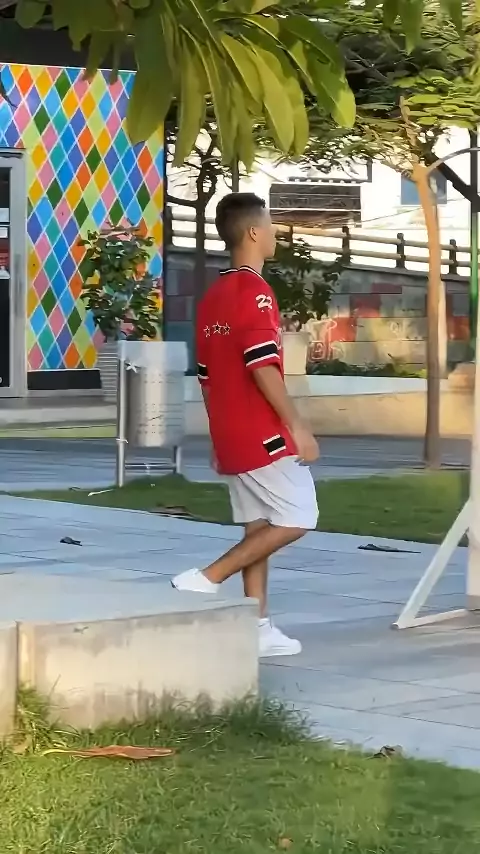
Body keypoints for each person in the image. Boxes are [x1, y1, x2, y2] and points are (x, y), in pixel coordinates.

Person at [172, 192, 319, 657]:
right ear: (254, 232)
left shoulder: (213, 297)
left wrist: (220, 434)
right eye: (270, 224)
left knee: (261, 525)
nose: (274, 232)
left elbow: (207, 375)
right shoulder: (256, 293)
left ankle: (257, 627)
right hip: (263, 434)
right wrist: (297, 425)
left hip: (231, 433)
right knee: (299, 516)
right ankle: (205, 578)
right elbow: (262, 366)